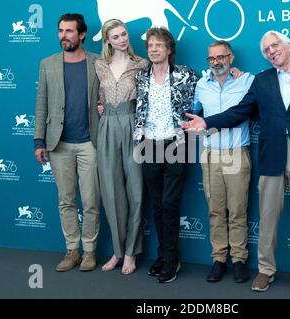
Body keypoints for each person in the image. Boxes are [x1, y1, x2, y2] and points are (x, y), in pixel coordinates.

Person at [183, 30, 290, 296]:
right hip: (271, 154)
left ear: (288, 47)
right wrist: (207, 121)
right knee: (267, 217)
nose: (272, 51)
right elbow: (239, 111)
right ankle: (265, 270)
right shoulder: (261, 81)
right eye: (266, 49)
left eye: (275, 45)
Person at [34, 13, 101, 272]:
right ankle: (72, 250)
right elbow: (41, 105)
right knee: (66, 200)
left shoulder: (98, 62)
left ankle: (90, 252)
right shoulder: (47, 64)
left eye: (69, 31)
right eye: (61, 31)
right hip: (58, 144)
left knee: (92, 201)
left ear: (82, 34)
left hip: (90, 143)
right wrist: (38, 141)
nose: (64, 35)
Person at [133, 27, 198, 283]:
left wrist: (235, 73)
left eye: (159, 45)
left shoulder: (186, 75)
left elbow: (214, 82)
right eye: (150, 45)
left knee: (170, 204)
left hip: (175, 143)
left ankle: (172, 259)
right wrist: (102, 104)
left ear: (169, 49)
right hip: (148, 144)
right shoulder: (140, 77)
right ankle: (163, 254)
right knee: (158, 206)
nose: (153, 49)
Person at [193, 41, 254, 283]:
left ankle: (239, 260)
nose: (216, 62)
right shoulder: (200, 84)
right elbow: (191, 110)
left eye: (221, 57)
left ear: (231, 57)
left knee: (238, 210)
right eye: (211, 58)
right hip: (210, 154)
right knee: (215, 211)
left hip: (237, 152)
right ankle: (219, 259)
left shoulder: (247, 80)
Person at [95, 19, 148, 275]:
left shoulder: (141, 64)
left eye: (124, 34)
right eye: (115, 37)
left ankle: (131, 253)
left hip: (133, 126)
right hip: (106, 127)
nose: (122, 39)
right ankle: (118, 251)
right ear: (107, 40)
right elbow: (95, 96)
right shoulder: (99, 65)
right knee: (111, 192)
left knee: (136, 191)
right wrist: (98, 105)